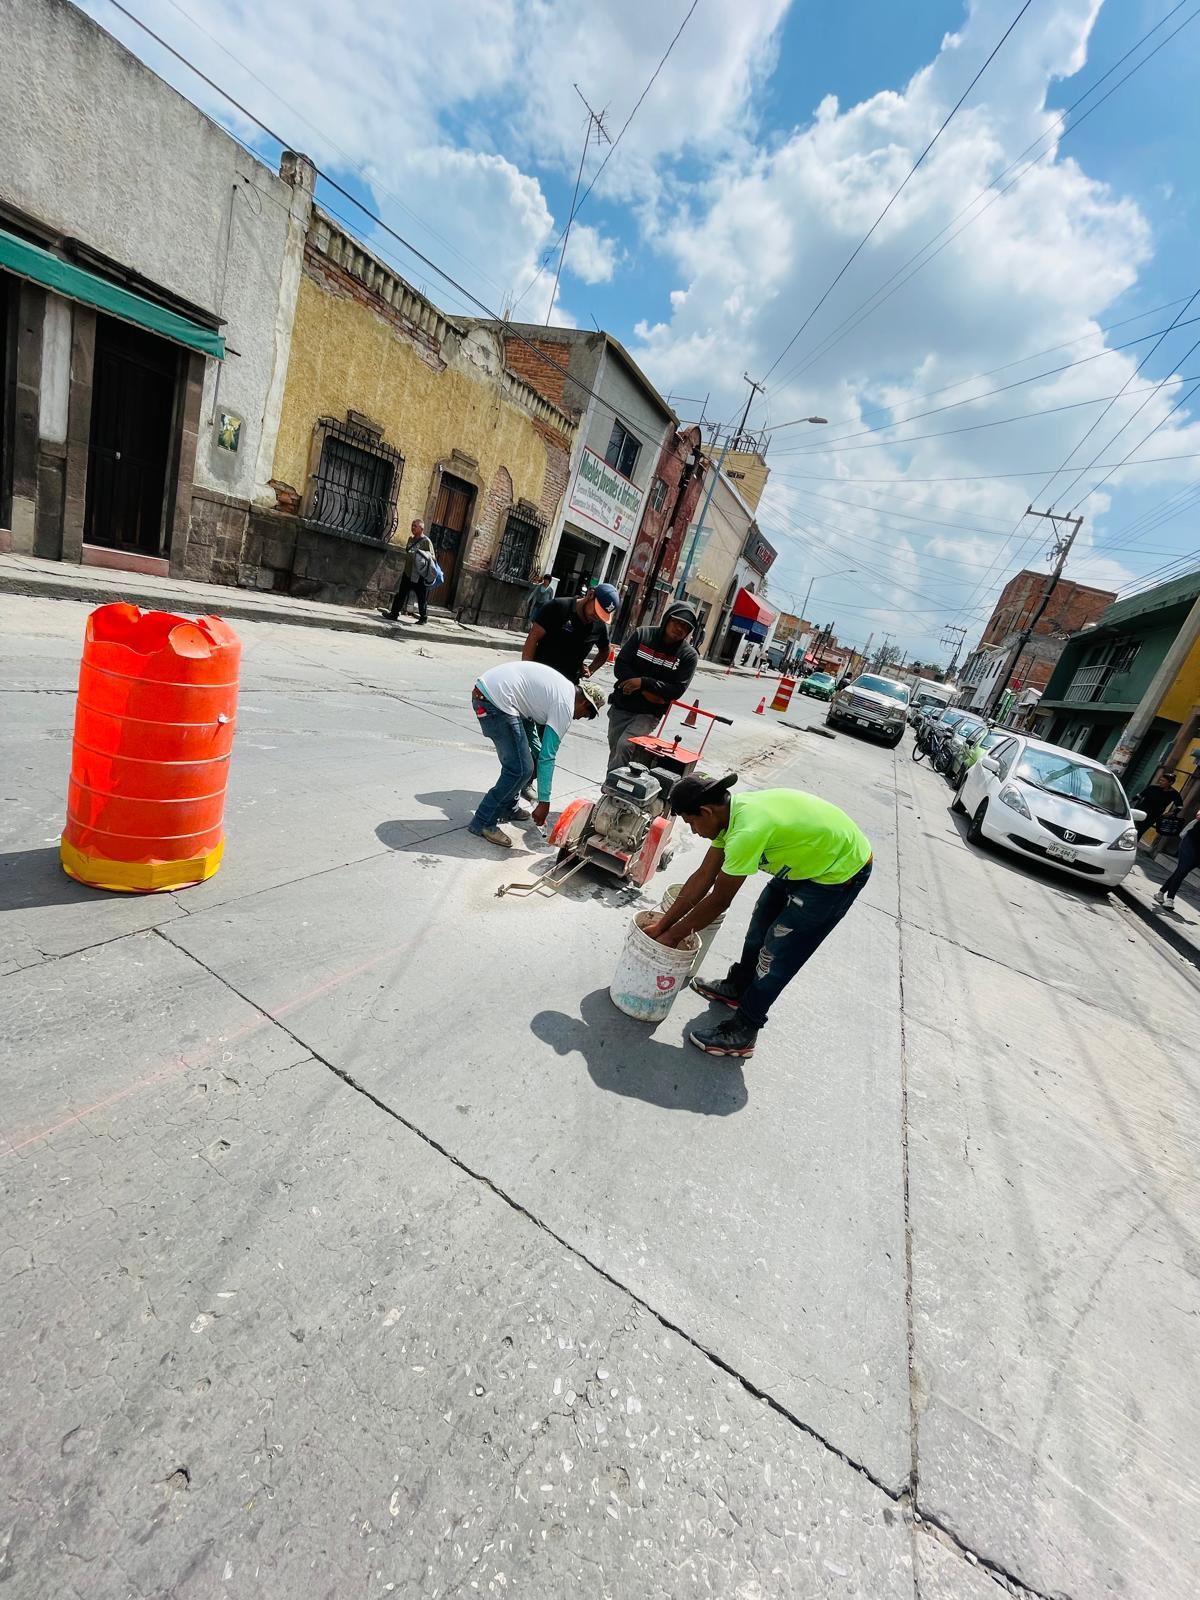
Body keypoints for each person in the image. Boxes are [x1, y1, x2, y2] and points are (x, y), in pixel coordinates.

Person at [646, 773, 872, 1059]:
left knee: (778, 953)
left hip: (839, 871)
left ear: (706, 811)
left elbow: (718, 900)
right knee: (760, 923)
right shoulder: (729, 817)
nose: (693, 832)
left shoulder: (746, 832)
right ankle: (738, 987)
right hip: (806, 857)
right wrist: (662, 925)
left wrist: (670, 939)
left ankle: (744, 1030)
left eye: (691, 823)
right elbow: (702, 878)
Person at [468, 660, 602, 848]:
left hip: (492, 694)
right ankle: (483, 822)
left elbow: (529, 718)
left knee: (527, 762)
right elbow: (549, 757)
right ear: (583, 701)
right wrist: (544, 802)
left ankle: (507, 807)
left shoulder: (560, 690)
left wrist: (536, 753)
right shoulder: (564, 705)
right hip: (495, 701)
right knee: (520, 769)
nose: (580, 717)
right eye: (586, 713)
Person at [608, 602, 700, 771]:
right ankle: (622, 784)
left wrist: (642, 682)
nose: (679, 629)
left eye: (685, 627)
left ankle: (611, 788)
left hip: (649, 712)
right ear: (667, 619)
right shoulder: (642, 634)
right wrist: (644, 689)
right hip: (622, 704)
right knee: (616, 748)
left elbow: (676, 689)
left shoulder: (688, 656)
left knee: (625, 745)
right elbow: (621, 666)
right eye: (677, 622)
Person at [522, 582, 616, 684]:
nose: (597, 616)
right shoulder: (558, 607)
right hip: (539, 677)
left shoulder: (599, 626)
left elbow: (605, 650)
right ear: (590, 594)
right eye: (597, 611)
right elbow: (532, 639)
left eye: (602, 615)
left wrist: (591, 669)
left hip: (568, 685)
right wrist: (527, 673)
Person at [381, 520, 437, 625]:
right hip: (408, 572)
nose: (412, 528)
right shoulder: (410, 540)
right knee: (401, 594)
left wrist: (421, 553)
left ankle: (423, 618)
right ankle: (394, 614)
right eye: (412, 526)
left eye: (415, 526)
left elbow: (433, 557)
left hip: (419, 575)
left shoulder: (426, 541)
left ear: (421, 528)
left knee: (421, 597)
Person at [1152, 812, 1198, 910]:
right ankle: (1170, 898)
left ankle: (1160, 893)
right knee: (1182, 870)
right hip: (1190, 843)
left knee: (1181, 872)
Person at [1133, 770, 1181, 840]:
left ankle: (1131, 846)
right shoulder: (1153, 787)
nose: (1160, 782)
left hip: (1153, 816)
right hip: (1140, 811)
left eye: (1163, 781)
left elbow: (1180, 806)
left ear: (1170, 783)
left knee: (1139, 832)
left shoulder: (1174, 794)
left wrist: (1172, 812)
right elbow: (1140, 796)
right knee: (1131, 829)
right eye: (1160, 780)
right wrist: (1128, 802)